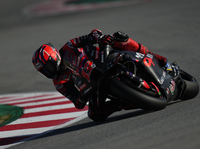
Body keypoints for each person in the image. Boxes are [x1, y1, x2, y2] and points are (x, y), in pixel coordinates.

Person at [32, 29, 167, 122]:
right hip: (94, 86)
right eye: (44, 71)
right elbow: (77, 102)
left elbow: (92, 35)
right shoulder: (59, 82)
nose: (48, 72)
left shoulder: (69, 46)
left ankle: (152, 55)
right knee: (95, 114)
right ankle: (126, 102)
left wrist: (100, 38)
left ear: (54, 55)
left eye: (48, 67)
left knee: (119, 37)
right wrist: (82, 96)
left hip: (102, 58)